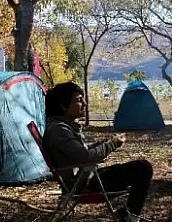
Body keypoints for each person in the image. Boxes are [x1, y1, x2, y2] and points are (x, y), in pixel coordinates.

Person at [43, 82, 153, 221]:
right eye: (78, 100)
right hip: (83, 185)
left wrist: (104, 142)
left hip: (85, 178)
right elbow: (86, 157)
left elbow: (79, 152)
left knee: (136, 168)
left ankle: (129, 215)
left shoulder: (61, 127)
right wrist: (112, 144)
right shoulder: (59, 130)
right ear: (63, 106)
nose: (85, 104)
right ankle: (130, 218)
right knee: (143, 168)